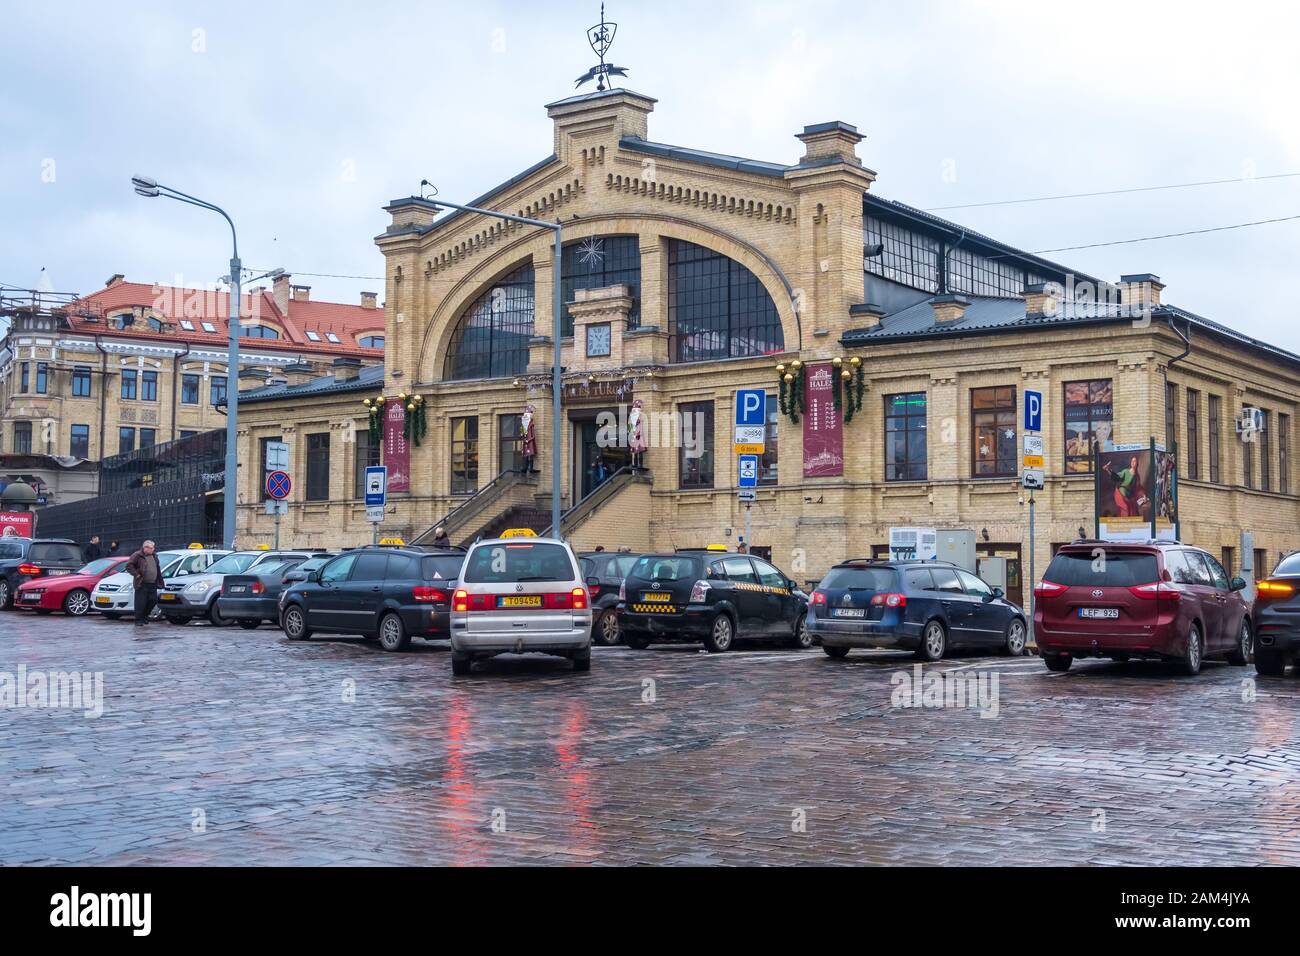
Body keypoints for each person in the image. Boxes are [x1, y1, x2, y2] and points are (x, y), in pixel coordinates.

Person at [126, 539, 164, 627]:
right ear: (145, 548)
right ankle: (138, 619)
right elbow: (129, 566)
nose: (152, 550)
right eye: (150, 548)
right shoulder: (137, 555)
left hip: (153, 583)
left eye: (153, 548)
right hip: (142, 583)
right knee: (140, 603)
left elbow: (157, 568)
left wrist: (159, 578)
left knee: (153, 600)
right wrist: (137, 574)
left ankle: (144, 616)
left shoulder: (155, 556)